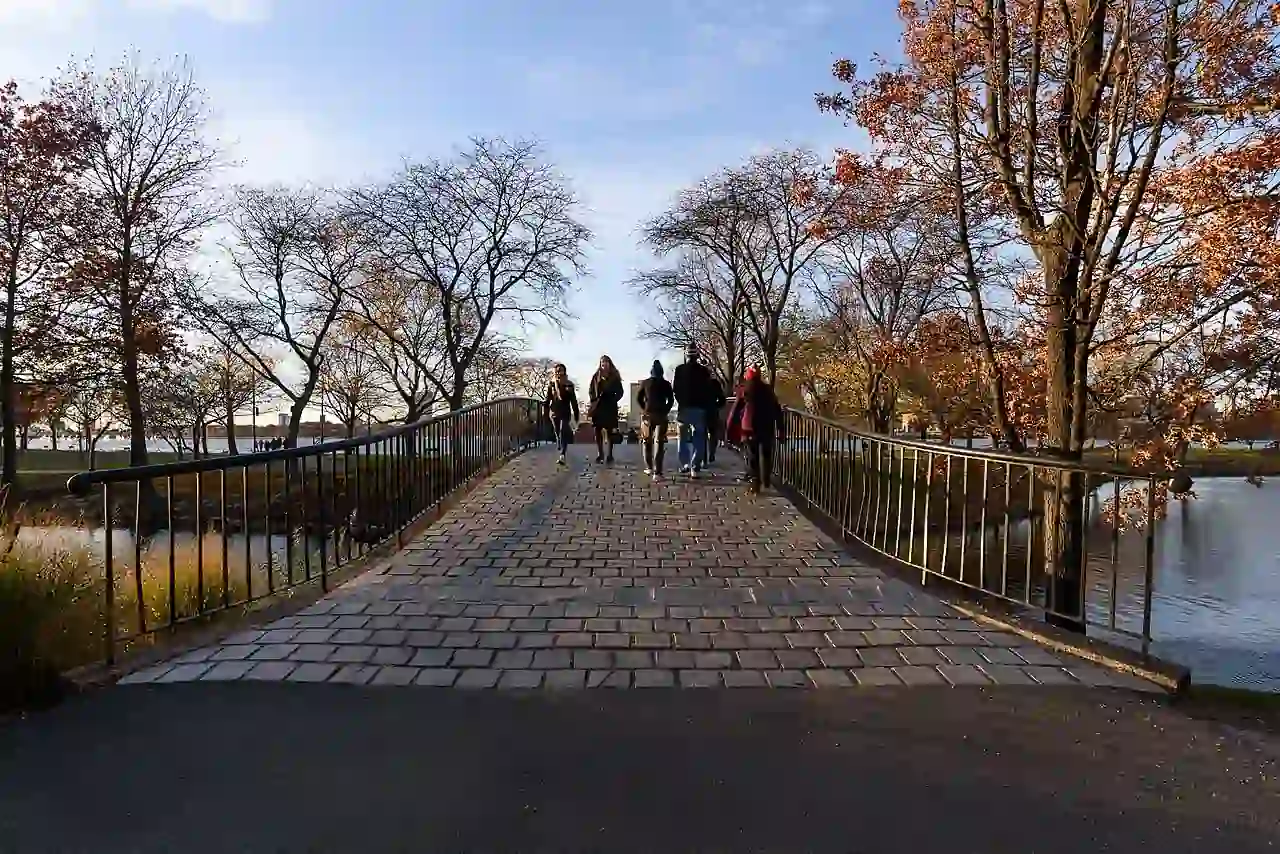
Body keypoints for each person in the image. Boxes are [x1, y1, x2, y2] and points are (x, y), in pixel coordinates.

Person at [726, 366, 786, 494]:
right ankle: (766, 478)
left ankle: (755, 482)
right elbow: (777, 409)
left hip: (749, 427)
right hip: (767, 426)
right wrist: (781, 429)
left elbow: (735, 411)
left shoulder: (744, 389)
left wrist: (729, 429)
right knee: (766, 453)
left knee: (752, 455)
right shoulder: (768, 389)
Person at [672, 344, 715, 477]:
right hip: (699, 407)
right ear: (697, 356)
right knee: (699, 438)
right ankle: (695, 466)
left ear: (686, 355)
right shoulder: (703, 371)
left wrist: (681, 400)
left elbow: (675, 389)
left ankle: (685, 463)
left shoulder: (679, 370)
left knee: (682, 438)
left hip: (684, 407)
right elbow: (708, 390)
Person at [635, 359, 675, 482]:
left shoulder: (645, 383)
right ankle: (658, 472)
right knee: (659, 442)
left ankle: (648, 467)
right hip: (661, 415)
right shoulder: (666, 384)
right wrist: (666, 410)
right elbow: (671, 400)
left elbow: (638, 398)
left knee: (646, 441)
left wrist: (644, 408)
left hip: (647, 415)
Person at [588, 355, 625, 464]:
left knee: (610, 431)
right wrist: (593, 400)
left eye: (606, 362)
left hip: (610, 407)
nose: (604, 364)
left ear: (610, 363)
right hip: (598, 407)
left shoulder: (614, 376)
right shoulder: (596, 376)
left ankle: (610, 454)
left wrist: (614, 399)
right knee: (597, 430)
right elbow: (591, 390)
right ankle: (600, 454)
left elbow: (620, 391)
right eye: (602, 362)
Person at [542, 363, 579, 466]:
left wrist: (576, 414)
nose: (559, 373)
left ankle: (562, 454)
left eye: (560, 371)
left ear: (564, 372)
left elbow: (573, 400)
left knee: (563, 431)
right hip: (554, 412)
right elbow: (548, 398)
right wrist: (545, 410)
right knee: (557, 431)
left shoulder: (569, 384)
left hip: (565, 411)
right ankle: (559, 442)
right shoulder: (551, 384)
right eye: (557, 371)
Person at [705, 373, 726, 466]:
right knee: (713, 433)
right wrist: (717, 406)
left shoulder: (698, 383)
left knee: (701, 434)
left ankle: (703, 456)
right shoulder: (714, 383)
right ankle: (712, 453)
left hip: (701, 410)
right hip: (713, 410)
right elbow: (722, 399)